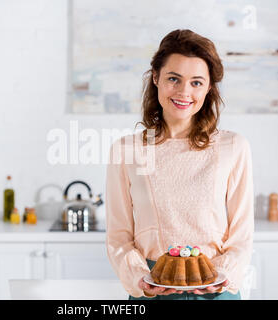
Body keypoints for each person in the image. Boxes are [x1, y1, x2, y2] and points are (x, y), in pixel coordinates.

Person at [105, 29, 254, 300]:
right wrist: (139, 278)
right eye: (174, 79)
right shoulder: (127, 150)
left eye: (196, 82)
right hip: (152, 288)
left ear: (209, 88)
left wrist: (223, 276)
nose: (184, 92)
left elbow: (241, 236)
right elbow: (119, 237)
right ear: (156, 78)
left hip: (217, 289)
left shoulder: (234, 147)